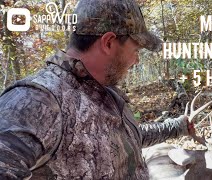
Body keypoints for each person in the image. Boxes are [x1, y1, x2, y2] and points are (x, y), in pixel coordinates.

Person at [0, 0, 194, 179]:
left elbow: (125, 140)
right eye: (135, 50)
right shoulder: (37, 98)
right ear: (108, 42)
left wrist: (178, 127)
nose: (137, 60)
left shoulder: (105, 91)